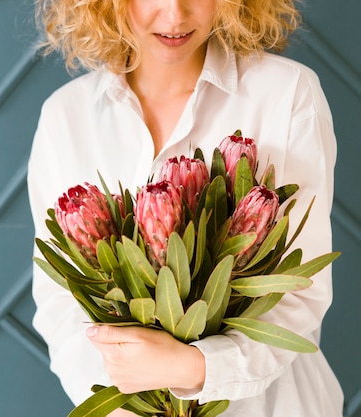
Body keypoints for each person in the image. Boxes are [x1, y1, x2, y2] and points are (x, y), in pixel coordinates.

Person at [27, 0, 344, 416]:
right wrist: (124, 408)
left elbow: (301, 292)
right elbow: (61, 306)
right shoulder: (65, 118)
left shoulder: (286, 95)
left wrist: (196, 368)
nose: (175, 14)